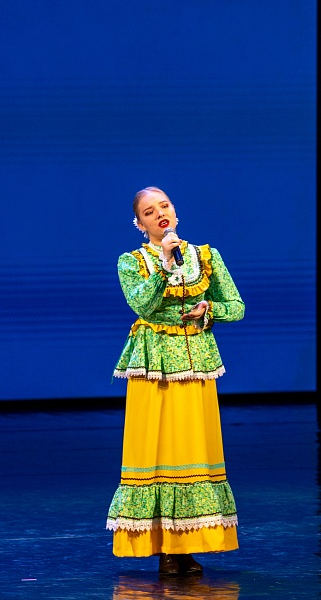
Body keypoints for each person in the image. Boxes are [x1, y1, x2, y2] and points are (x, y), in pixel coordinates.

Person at [106, 186, 245, 575]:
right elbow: (142, 304)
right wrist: (166, 264)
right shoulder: (132, 262)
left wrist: (208, 309)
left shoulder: (206, 256)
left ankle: (189, 544)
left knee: (192, 451)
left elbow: (236, 307)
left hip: (196, 364)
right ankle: (165, 546)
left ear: (175, 212)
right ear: (139, 224)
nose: (159, 214)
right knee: (158, 451)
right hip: (154, 366)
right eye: (149, 212)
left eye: (164, 206)